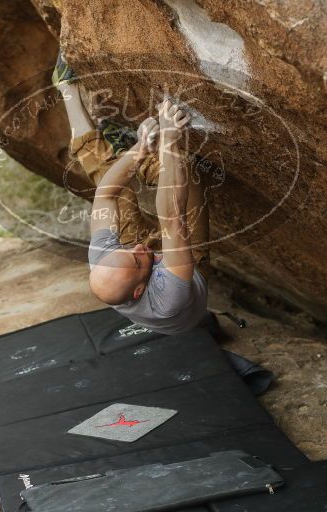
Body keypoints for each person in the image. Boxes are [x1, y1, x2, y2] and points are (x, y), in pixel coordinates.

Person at [54, 53, 210, 335]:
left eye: (126, 251)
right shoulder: (169, 298)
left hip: (141, 267)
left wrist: (139, 150)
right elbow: (172, 219)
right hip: (183, 271)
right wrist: (170, 140)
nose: (139, 248)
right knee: (188, 172)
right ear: (140, 290)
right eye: (137, 259)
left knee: (118, 195)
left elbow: (105, 196)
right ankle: (157, 163)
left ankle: (67, 89)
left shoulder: (106, 259)